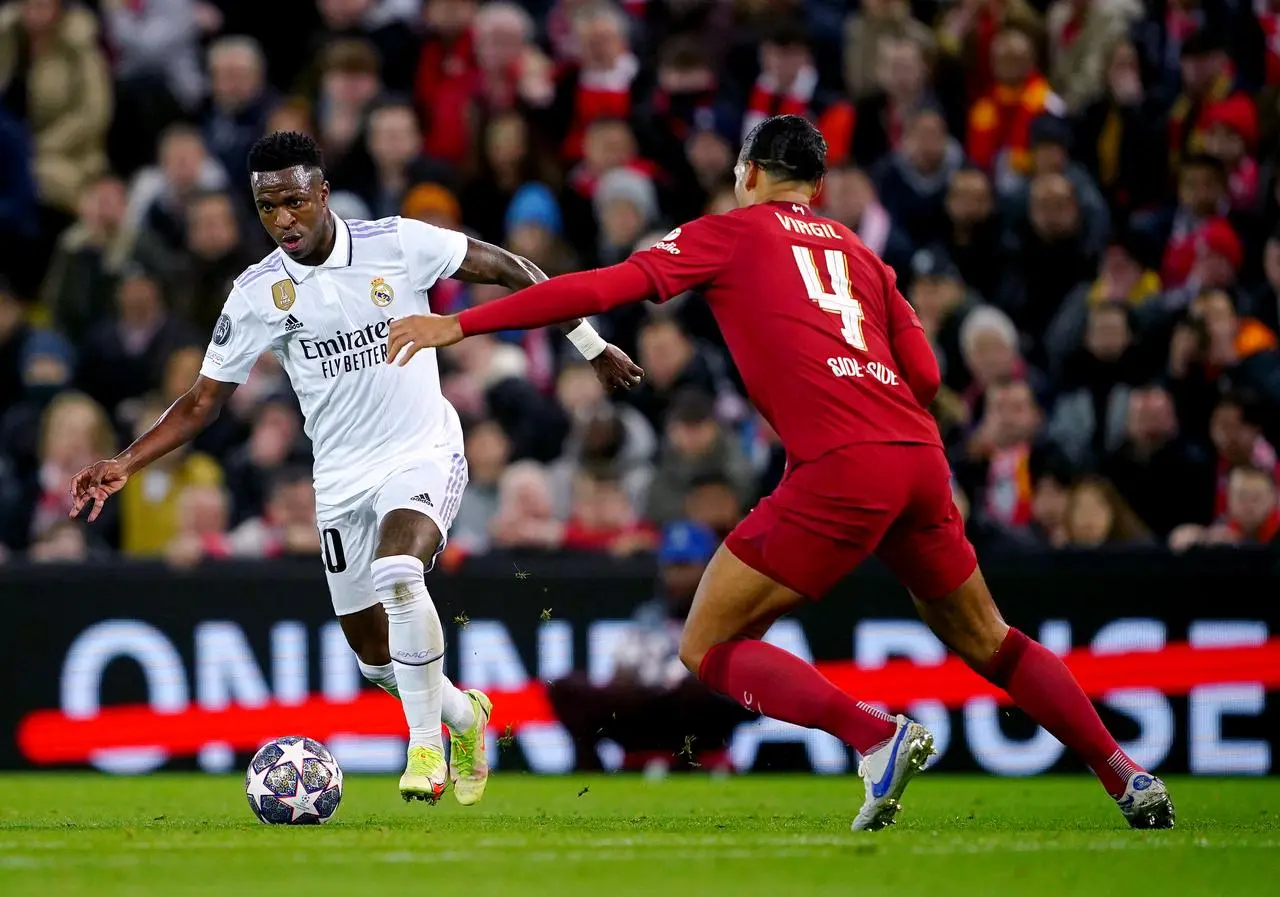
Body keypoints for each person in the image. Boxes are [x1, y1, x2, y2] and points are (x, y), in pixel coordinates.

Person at [387, 114, 1175, 831]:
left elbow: (604, 286)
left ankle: (876, 735)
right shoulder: (864, 253)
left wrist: (459, 321)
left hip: (842, 465)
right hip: (918, 457)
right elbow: (928, 375)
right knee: (990, 639)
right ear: (820, 185)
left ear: (750, 172)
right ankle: (1125, 772)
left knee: (707, 642)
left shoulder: (733, 233)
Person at [69, 130, 643, 806]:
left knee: (399, 571)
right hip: (341, 480)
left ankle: (424, 746)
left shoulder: (398, 243)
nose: (283, 219)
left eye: (294, 201)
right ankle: (465, 716)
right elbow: (201, 401)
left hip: (423, 448)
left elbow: (514, 268)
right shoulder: (258, 292)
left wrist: (590, 342)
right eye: (267, 208)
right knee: (377, 659)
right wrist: (125, 461)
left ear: (323, 193)